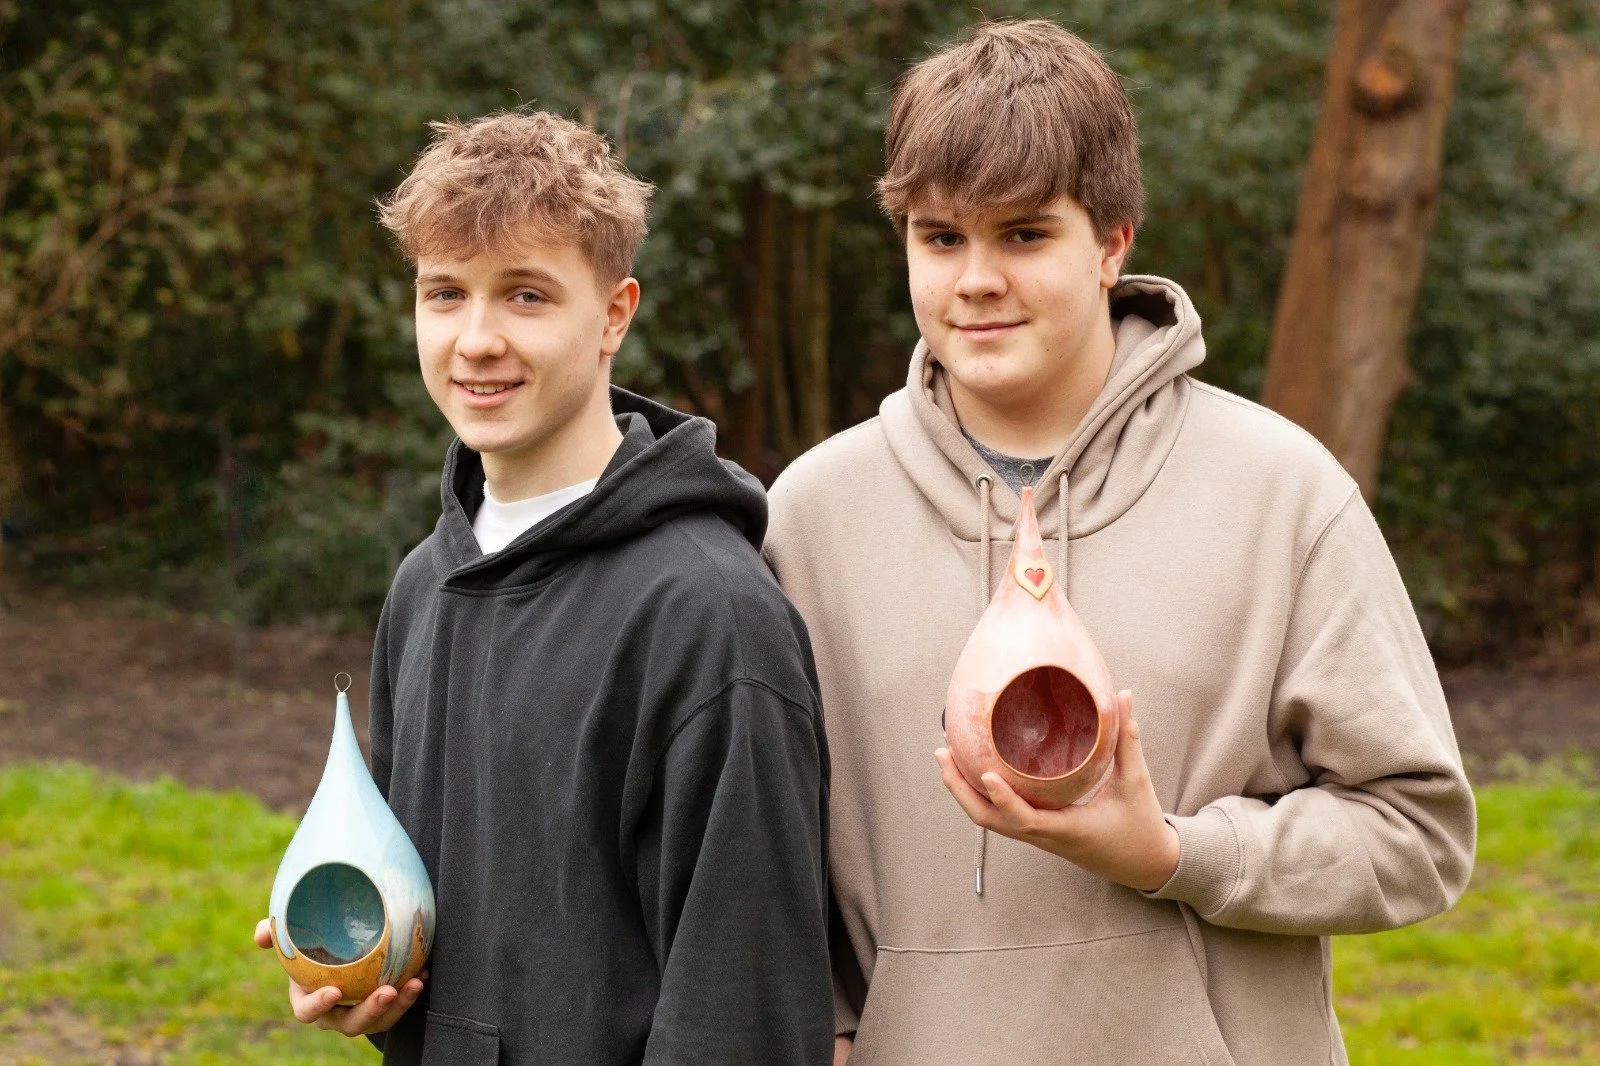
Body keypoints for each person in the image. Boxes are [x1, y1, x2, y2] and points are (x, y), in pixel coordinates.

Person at [763, 19, 1476, 1066]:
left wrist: (1176, 853)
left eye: (1023, 234)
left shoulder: (1281, 493)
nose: (975, 280)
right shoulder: (811, 515)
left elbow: (1419, 835)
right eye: (940, 237)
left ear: (1112, 241)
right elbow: (768, 848)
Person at [253, 110, 834, 1065]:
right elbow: (435, 924)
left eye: (525, 295)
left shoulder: (711, 617)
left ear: (615, 313)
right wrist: (374, 978)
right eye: (445, 294)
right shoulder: (424, 588)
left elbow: (747, 1014)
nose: (475, 340)